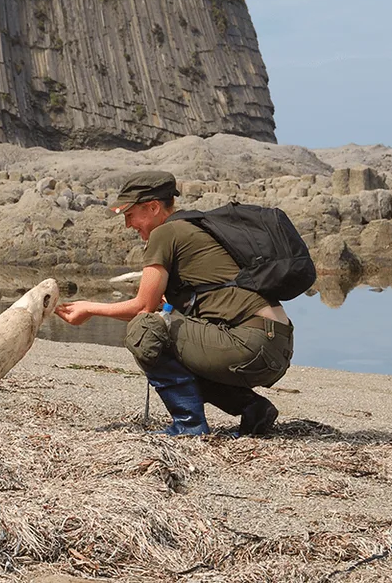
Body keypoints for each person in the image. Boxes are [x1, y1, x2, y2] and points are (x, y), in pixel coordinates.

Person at [54, 171, 294, 436]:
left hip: (251, 344)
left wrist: (89, 308)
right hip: (276, 347)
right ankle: (253, 409)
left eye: (130, 215)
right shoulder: (195, 227)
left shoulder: (165, 233)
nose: (127, 224)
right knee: (171, 336)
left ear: (153, 207)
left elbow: (142, 308)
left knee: (145, 330)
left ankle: (188, 425)